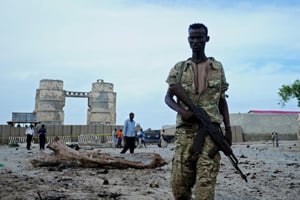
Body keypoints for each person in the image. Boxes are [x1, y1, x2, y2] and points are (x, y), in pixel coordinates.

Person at [165, 23, 232, 200]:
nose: (196, 41)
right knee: (179, 187)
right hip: (185, 134)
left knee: (205, 188)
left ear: (206, 39)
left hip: (211, 133)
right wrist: (182, 111)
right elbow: (168, 97)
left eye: (199, 37)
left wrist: (229, 129)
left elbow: (222, 100)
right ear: (188, 40)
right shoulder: (179, 69)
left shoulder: (217, 68)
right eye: (192, 38)